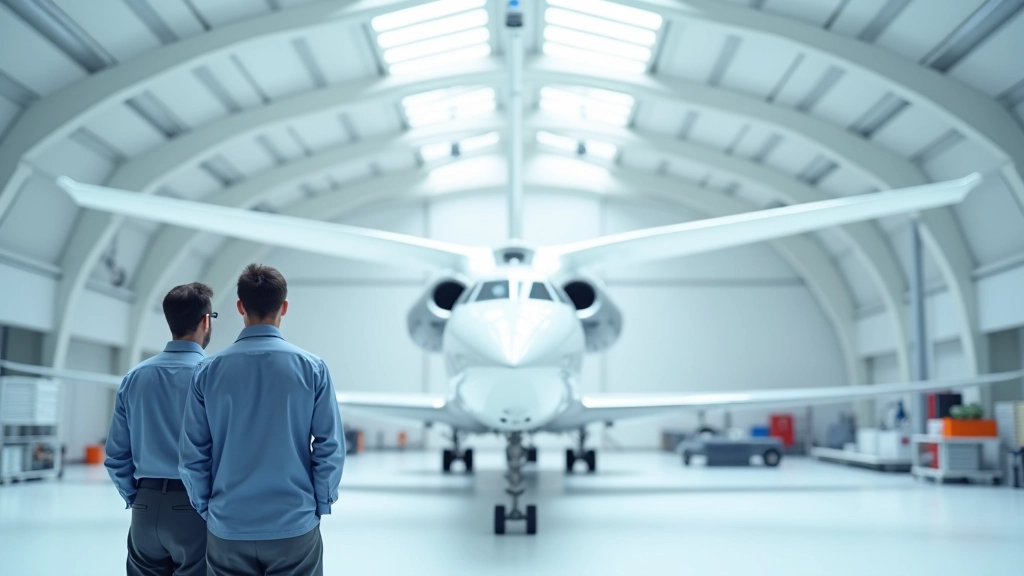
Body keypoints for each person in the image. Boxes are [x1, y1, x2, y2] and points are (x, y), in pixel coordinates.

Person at [179, 264, 345, 576]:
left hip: (228, 524)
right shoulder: (312, 368)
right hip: (294, 524)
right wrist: (320, 503)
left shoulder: (207, 371)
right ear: (284, 307)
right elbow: (330, 446)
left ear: (240, 306)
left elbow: (192, 454)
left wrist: (208, 508)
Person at [105, 283, 215, 576]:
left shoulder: (135, 377)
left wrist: (137, 497)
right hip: (195, 508)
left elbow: (115, 455)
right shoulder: (213, 376)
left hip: (145, 505)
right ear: (206, 321)